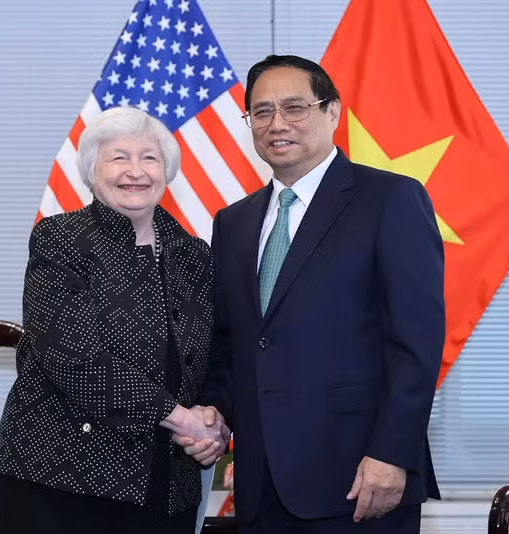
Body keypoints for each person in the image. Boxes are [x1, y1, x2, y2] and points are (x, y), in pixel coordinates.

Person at [186, 54, 445, 533]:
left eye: (294, 107)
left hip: (360, 480)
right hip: (261, 486)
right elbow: (230, 344)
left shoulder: (390, 199)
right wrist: (215, 414)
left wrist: (392, 453)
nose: (277, 123)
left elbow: (416, 343)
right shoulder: (233, 222)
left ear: (332, 112)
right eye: (261, 112)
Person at [0, 106, 230, 534]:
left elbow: (217, 353)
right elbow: (75, 359)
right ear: (92, 169)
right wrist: (182, 418)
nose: (135, 171)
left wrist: (214, 419)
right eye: (119, 157)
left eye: (149, 158)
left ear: (166, 170)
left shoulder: (195, 254)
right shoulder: (59, 239)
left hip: (166, 483)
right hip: (62, 480)